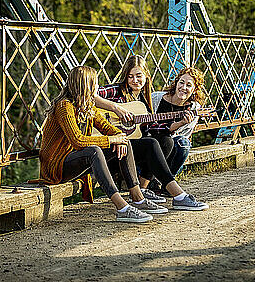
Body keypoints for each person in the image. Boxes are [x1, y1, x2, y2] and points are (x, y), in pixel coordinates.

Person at [39, 65, 167, 223]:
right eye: (95, 84)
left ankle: (138, 198)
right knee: (94, 150)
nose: (98, 87)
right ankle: (122, 208)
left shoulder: (87, 106)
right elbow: (78, 141)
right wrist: (112, 140)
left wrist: (118, 137)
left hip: (75, 160)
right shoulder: (65, 106)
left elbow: (106, 127)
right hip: (56, 166)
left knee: (124, 143)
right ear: (86, 85)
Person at [95, 56, 208, 210]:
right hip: (109, 148)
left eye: (139, 76)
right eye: (130, 76)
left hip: (126, 149)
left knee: (165, 140)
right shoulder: (116, 90)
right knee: (151, 144)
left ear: (146, 76)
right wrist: (115, 108)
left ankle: (144, 189)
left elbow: (153, 128)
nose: (135, 80)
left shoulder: (143, 99)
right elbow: (89, 94)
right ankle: (178, 195)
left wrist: (180, 123)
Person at [150, 67, 206, 178]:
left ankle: (168, 180)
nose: (183, 87)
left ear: (195, 89)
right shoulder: (156, 98)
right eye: (181, 82)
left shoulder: (194, 109)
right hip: (151, 141)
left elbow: (182, 136)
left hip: (170, 148)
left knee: (183, 143)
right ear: (176, 83)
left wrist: (182, 123)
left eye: (189, 85)